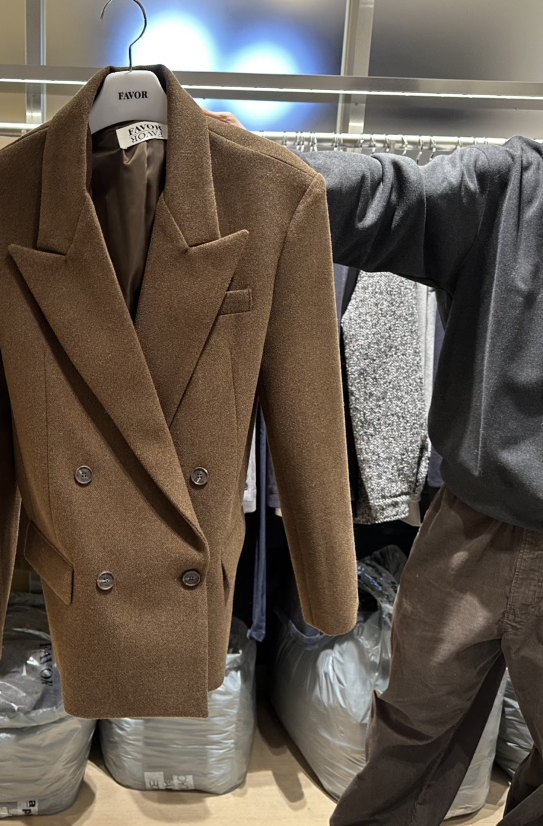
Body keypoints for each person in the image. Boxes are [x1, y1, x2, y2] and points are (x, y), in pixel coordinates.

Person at [206, 109, 543, 826]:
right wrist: (241, 161)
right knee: (409, 736)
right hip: (470, 526)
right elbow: (390, 198)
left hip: (470, 516)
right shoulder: (513, 185)